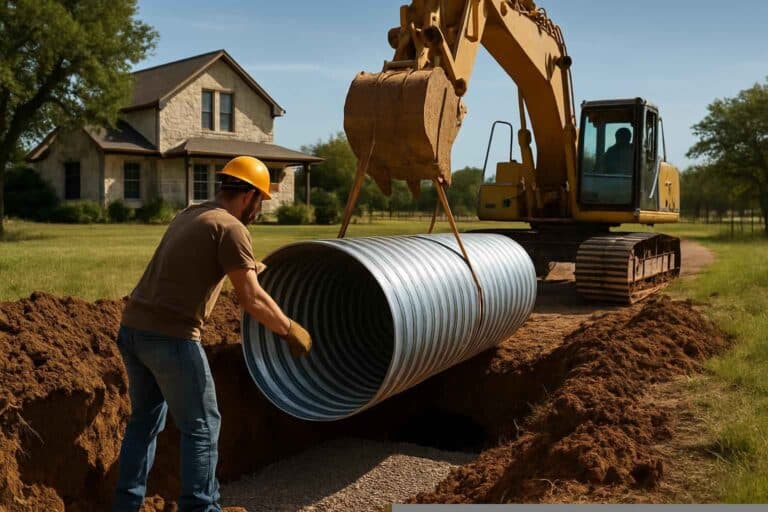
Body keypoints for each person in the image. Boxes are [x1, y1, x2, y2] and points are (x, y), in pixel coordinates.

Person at [112, 156, 312, 512]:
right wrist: (289, 330)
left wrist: (248, 265)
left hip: (133, 331)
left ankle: (125, 505)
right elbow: (251, 299)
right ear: (248, 195)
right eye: (260, 201)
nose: (259, 210)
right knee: (202, 428)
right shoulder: (232, 228)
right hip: (172, 339)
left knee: (144, 423)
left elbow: (200, 260)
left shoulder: (192, 214)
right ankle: (202, 508)